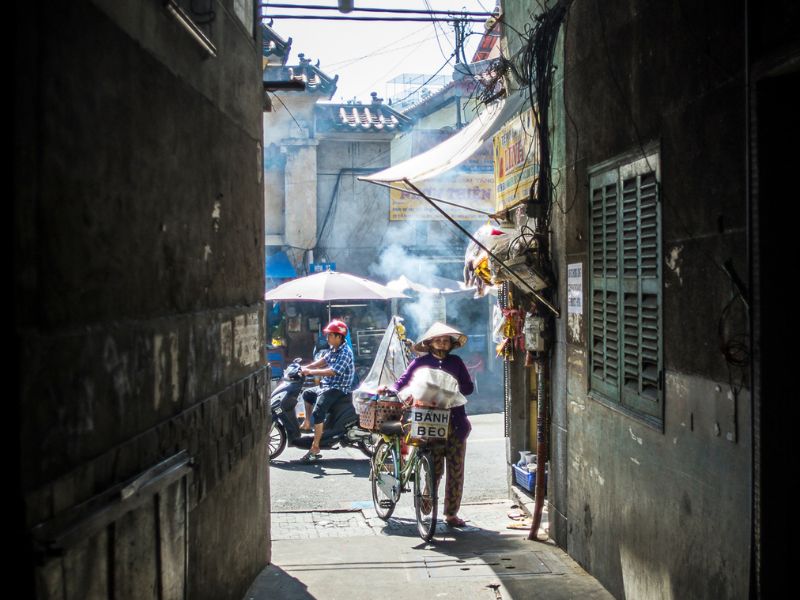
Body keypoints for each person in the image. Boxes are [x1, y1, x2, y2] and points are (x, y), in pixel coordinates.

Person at [382, 322, 474, 527]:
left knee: (456, 469)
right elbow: (403, 381)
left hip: (455, 423)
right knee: (434, 469)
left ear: (451, 344)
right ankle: (426, 501)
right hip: (428, 422)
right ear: (430, 343)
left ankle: (451, 514)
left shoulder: (456, 362)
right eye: (438, 340)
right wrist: (391, 389)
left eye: (446, 340)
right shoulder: (420, 363)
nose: (442, 343)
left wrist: (454, 387)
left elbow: (468, 388)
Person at [298, 319, 355, 463]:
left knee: (318, 412)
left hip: (338, 388)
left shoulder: (345, 352)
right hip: (327, 386)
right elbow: (323, 360)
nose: (327, 338)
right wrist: (306, 367)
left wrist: (311, 371)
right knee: (307, 394)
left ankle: (315, 446)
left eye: (330, 335)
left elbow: (333, 371)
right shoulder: (334, 349)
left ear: (338, 337)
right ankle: (307, 422)